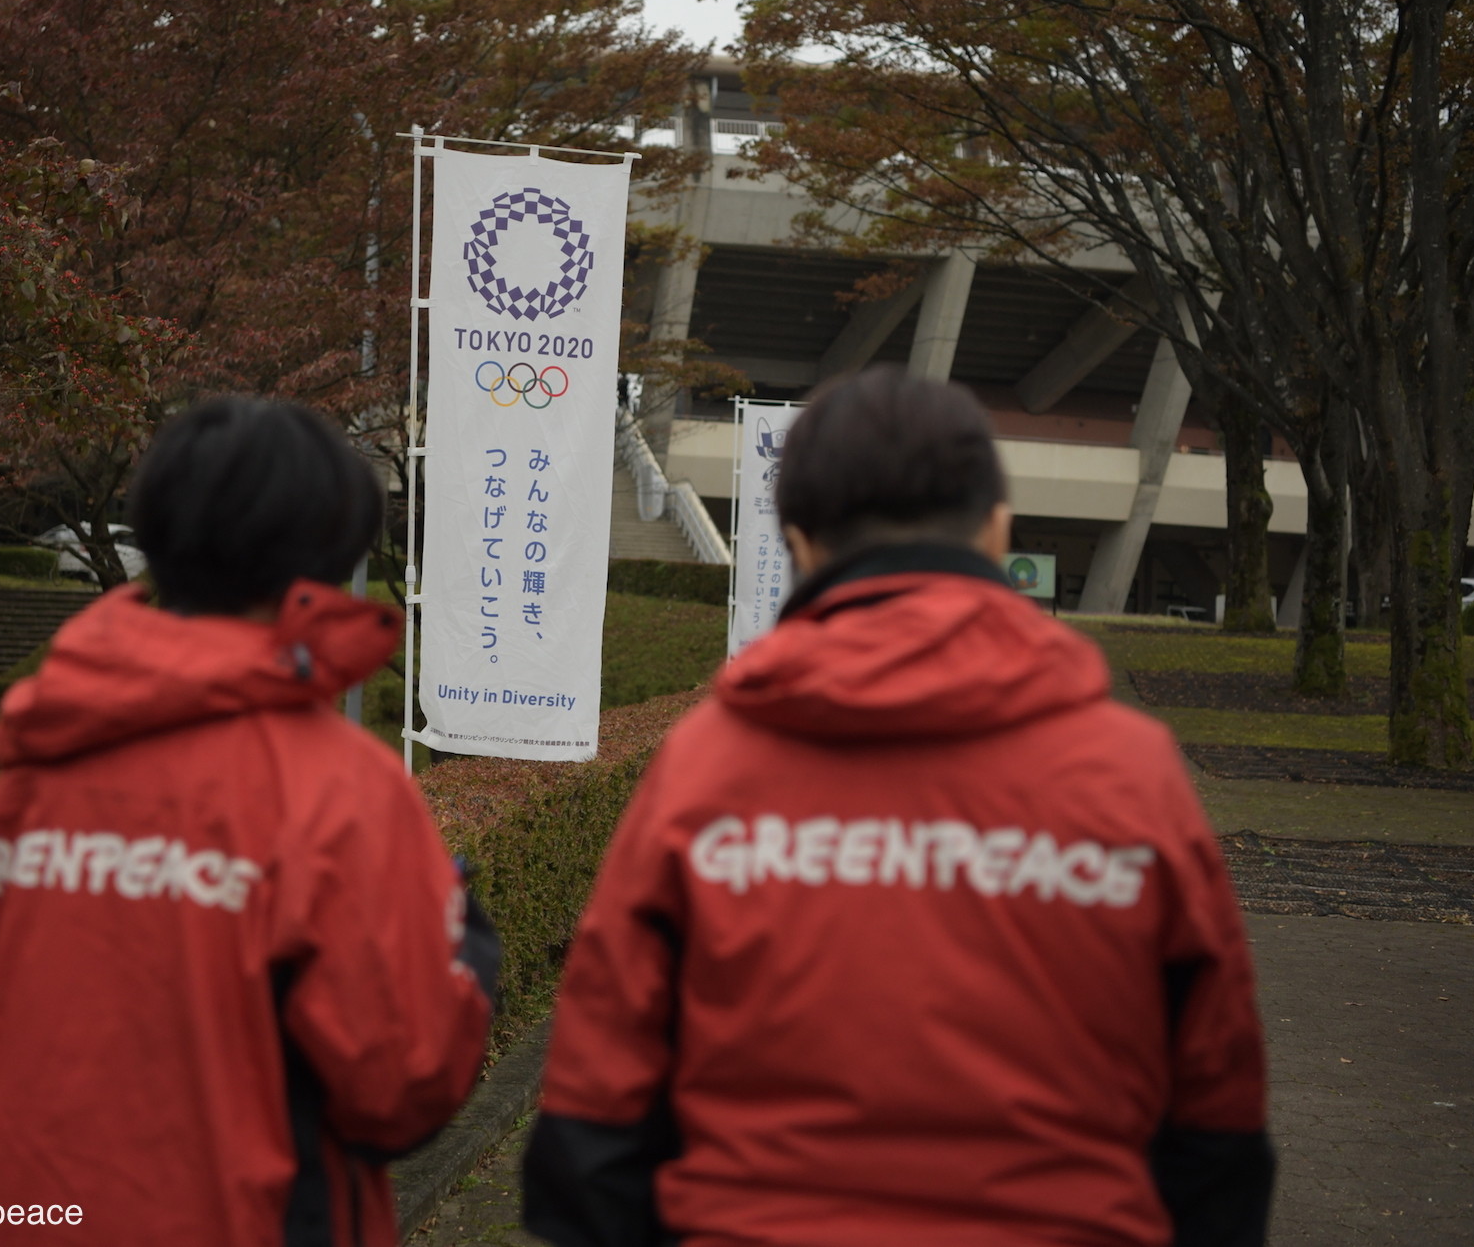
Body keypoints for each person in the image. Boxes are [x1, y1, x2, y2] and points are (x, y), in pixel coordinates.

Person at [523, 370, 1272, 1246]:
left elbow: (592, 1126)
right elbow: (1218, 1123)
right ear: (997, 527)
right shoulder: (1129, 772)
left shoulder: (708, 766)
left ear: (798, 542)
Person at [0, 396, 500, 1245]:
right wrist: (467, 945)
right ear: (330, 549)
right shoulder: (338, 788)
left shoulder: (46, 762)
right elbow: (398, 1083)